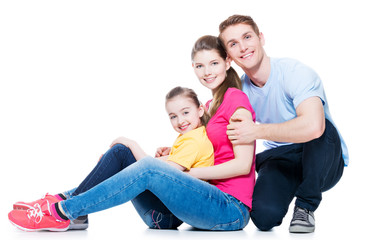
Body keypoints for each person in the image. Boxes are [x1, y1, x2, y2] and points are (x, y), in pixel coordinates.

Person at [8, 34, 256, 232]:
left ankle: (63, 211)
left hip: (229, 209)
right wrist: (174, 155)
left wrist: (184, 172)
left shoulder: (236, 98)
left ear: (227, 62)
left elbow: (243, 166)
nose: (207, 72)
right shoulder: (210, 105)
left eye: (214, 63)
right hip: (190, 205)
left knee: (148, 167)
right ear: (193, 67)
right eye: (200, 66)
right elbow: (209, 147)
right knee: (123, 153)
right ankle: (69, 203)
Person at [9, 86, 214, 231]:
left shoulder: (194, 141)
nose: (180, 120)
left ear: (200, 110)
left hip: (164, 217)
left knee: (122, 152)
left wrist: (133, 145)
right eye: (173, 116)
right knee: (120, 156)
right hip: (167, 211)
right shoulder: (190, 137)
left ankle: (64, 208)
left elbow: (162, 172)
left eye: (185, 112)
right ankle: (66, 201)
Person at [219, 15, 348, 233]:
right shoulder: (238, 91)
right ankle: (287, 185)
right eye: (233, 44)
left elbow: (314, 127)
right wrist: (177, 153)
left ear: (261, 38)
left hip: (321, 156)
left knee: (320, 127)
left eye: (247, 37)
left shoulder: (294, 73)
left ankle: (305, 206)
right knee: (263, 217)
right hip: (281, 158)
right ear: (228, 57)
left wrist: (256, 131)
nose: (243, 47)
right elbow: (219, 132)